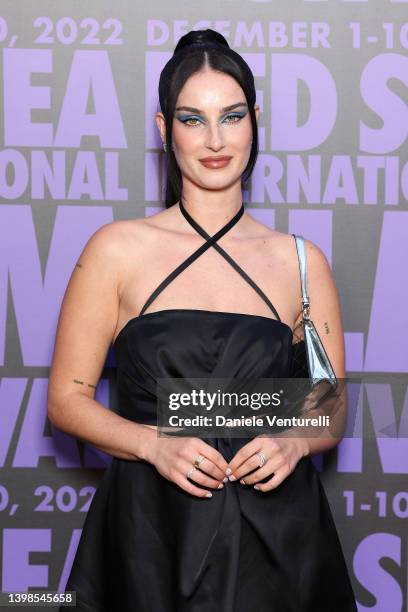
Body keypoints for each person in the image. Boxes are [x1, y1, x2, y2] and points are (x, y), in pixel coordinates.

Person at [49, 28, 357, 612]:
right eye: (193, 120)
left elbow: (327, 404)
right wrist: (152, 444)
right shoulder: (117, 249)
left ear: (255, 121)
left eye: (232, 116)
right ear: (165, 130)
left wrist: (293, 444)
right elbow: (67, 398)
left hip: (276, 540)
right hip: (150, 533)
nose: (215, 139)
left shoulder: (300, 261)